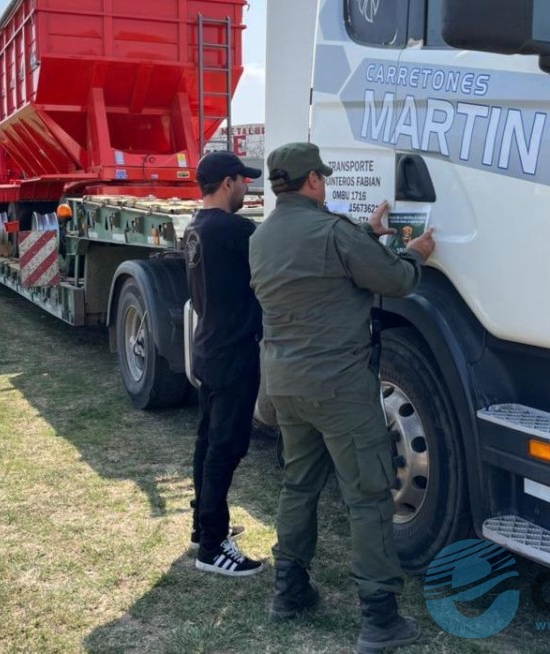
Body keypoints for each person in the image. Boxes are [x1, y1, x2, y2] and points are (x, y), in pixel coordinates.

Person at [249, 143, 435, 652]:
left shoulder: (261, 238)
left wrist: (367, 236)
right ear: (312, 181)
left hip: (284, 384)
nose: (325, 184)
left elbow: (325, 265)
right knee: (368, 498)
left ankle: (288, 590)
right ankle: (379, 619)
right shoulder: (333, 234)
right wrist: (411, 253)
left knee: (299, 484)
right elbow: (394, 279)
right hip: (339, 388)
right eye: (322, 178)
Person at [184, 151, 265, 577]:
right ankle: (213, 547)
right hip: (233, 352)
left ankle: (204, 527)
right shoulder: (235, 229)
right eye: (244, 181)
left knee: (206, 444)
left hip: (208, 346)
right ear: (228, 182)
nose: (247, 188)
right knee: (225, 449)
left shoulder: (196, 228)